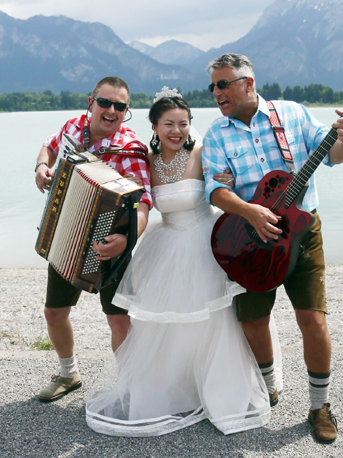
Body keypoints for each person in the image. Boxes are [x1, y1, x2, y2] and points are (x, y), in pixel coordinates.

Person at [85, 87, 283, 437]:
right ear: (155, 126)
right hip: (165, 245)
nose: (177, 131)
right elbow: (135, 196)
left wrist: (232, 182)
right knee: (167, 322)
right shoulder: (145, 159)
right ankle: (178, 390)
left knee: (215, 320)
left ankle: (222, 390)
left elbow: (228, 185)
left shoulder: (204, 152)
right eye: (169, 124)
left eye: (184, 124)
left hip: (207, 243)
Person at [202, 54, 343, 443]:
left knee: (314, 321)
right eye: (213, 86)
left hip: (303, 230)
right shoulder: (216, 134)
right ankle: (270, 386)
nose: (217, 93)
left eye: (224, 84)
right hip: (252, 240)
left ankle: (319, 406)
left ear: (248, 83)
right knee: (252, 321)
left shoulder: (293, 114)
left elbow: (335, 157)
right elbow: (215, 191)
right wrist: (250, 212)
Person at [35, 76, 152, 402]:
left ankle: (129, 386)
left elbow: (144, 205)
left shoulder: (131, 149)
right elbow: (50, 143)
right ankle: (68, 373)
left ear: (127, 110)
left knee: (118, 318)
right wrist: (41, 165)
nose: (112, 110)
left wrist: (127, 240)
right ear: (91, 103)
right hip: (66, 233)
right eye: (105, 102)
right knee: (54, 313)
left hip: (113, 244)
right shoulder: (73, 125)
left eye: (120, 106)